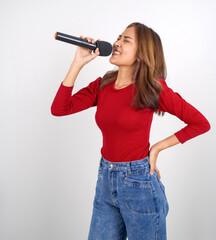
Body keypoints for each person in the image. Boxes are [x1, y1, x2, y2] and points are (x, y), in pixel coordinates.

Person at [50, 22, 211, 240]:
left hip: (140, 185)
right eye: (119, 37)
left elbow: (201, 123)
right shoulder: (103, 85)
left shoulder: (153, 88)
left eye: (126, 40)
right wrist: (78, 63)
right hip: (105, 182)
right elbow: (59, 109)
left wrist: (156, 149)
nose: (116, 43)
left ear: (142, 53)